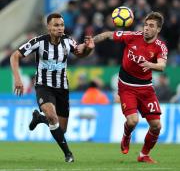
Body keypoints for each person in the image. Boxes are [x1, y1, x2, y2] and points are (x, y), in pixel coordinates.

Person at [10, 13, 94, 163]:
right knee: (52, 116)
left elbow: (81, 54)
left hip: (62, 88)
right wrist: (18, 79)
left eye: (61, 25)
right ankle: (68, 154)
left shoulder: (68, 41)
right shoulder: (39, 42)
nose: (60, 28)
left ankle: (39, 118)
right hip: (44, 86)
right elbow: (14, 56)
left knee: (61, 129)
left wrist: (88, 49)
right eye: (56, 25)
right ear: (48, 27)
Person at [90, 12, 168, 163]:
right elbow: (107, 34)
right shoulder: (133, 36)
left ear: (158, 30)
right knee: (132, 121)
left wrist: (150, 65)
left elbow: (162, 65)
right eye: (146, 25)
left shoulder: (160, 46)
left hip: (146, 88)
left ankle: (143, 155)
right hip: (126, 86)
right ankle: (126, 136)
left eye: (151, 26)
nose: (146, 28)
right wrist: (91, 41)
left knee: (156, 126)